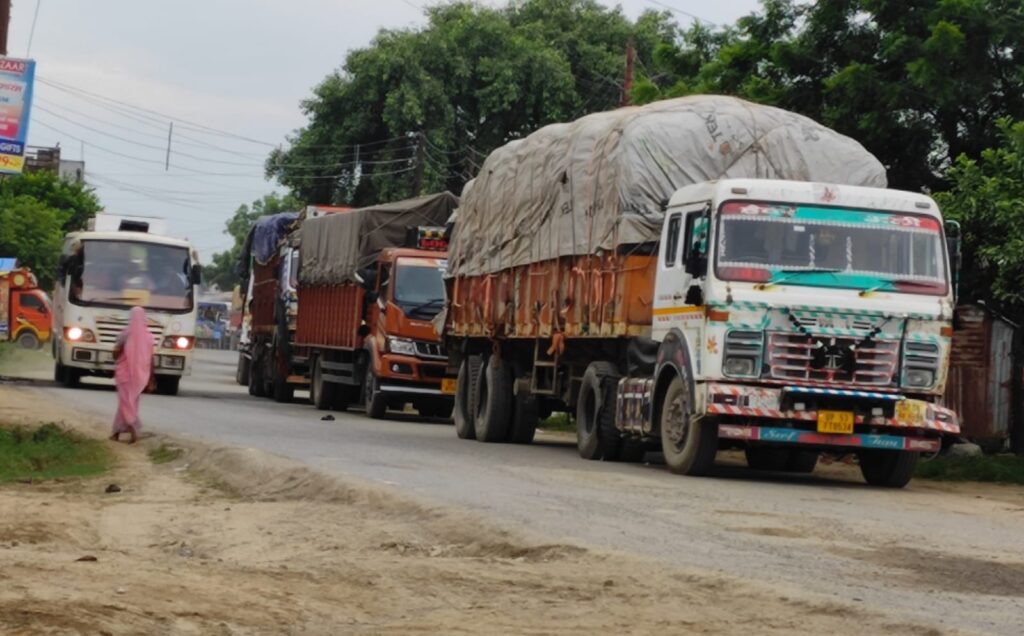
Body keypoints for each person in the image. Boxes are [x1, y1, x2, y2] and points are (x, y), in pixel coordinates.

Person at [110, 307, 154, 444]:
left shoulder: (125, 334)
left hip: (124, 373)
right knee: (131, 402)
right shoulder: (149, 337)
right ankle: (116, 432)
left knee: (124, 402)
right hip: (140, 375)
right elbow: (151, 359)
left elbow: (116, 354)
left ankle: (132, 425)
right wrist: (151, 378)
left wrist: (119, 352)